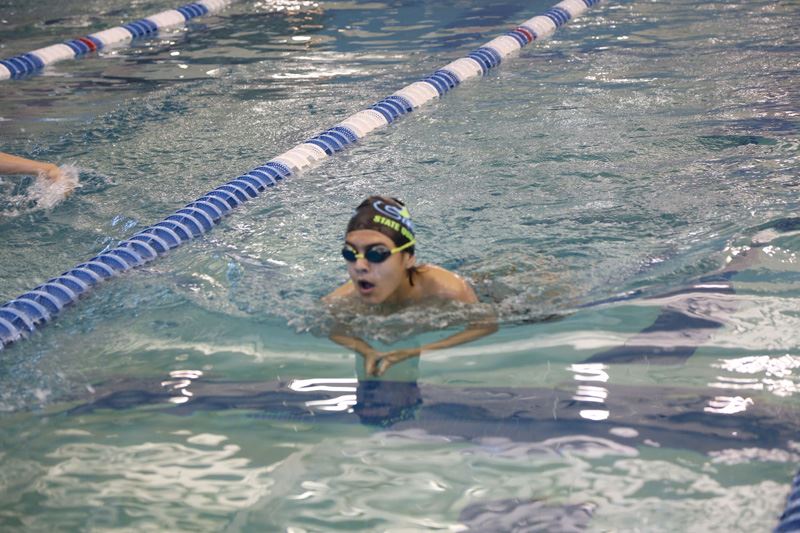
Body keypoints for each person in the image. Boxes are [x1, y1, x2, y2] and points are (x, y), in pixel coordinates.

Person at [324, 196, 497, 377]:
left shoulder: (447, 289)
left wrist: (415, 351)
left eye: (377, 254)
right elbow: (333, 329)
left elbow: (485, 325)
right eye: (350, 253)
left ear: (408, 258)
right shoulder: (340, 300)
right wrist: (364, 350)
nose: (359, 266)